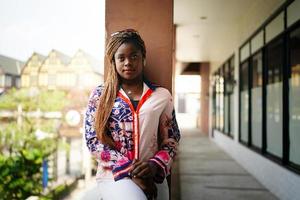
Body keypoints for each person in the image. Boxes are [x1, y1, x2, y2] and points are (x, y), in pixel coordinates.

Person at [84, 29, 180, 200]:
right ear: (113, 61)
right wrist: (131, 171)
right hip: (114, 176)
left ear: (143, 58)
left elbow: (172, 139)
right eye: (121, 58)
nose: (128, 62)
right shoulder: (100, 95)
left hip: (153, 175)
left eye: (134, 56)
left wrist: (154, 165)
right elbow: (93, 140)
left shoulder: (162, 96)